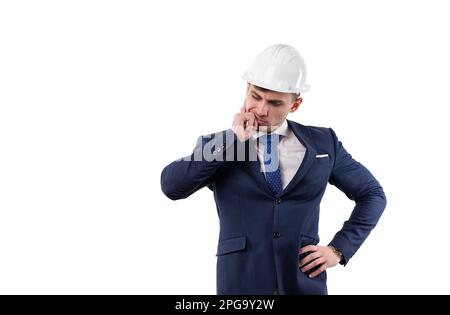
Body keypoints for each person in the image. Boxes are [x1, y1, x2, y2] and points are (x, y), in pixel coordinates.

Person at [160, 44, 387, 295]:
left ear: (295, 104)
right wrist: (233, 140)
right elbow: (172, 186)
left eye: (275, 102)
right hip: (242, 286)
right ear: (247, 90)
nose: (261, 110)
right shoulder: (219, 145)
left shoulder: (324, 143)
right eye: (256, 96)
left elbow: (372, 194)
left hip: (304, 284)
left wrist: (338, 249)